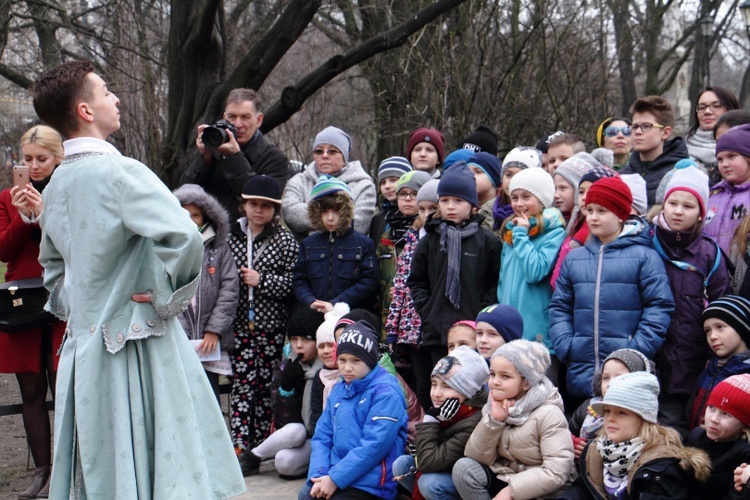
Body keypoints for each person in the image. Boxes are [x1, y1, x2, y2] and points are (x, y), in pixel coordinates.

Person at [33, 60, 244, 497]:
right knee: (165, 466)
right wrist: (166, 298)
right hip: (138, 345)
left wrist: (86, 307)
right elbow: (185, 236)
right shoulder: (121, 172)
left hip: (83, 350)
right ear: (86, 111)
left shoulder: (54, 186)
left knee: (105, 464)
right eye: (106, 91)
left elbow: (52, 269)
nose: (115, 98)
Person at [549, 177, 674, 402]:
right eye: (589, 210)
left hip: (626, 373)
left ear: (620, 215)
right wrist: (566, 344)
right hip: (581, 371)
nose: (593, 217)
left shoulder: (644, 257)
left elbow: (659, 306)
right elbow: (559, 306)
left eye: (602, 211)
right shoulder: (574, 258)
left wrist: (636, 349)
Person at [0, 125, 66, 499]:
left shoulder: (66, 193)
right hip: (21, 302)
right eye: (27, 159)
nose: (33, 166)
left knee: (64, 385)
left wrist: (42, 215)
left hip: (60, 299)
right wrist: (24, 217)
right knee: (31, 390)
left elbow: (69, 243)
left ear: (58, 158)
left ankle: (72, 468)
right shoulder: (7, 198)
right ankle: (42, 473)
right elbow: (4, 251)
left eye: (41, 159)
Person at [407, 163, 501, 396]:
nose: (451, 206)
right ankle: (441, 425)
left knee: (472, 387)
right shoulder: (429, 241)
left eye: (458, 201)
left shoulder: (487, 242)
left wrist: (481, 313)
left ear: (472, 205)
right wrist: (428, 310)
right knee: (441, 385)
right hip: (437, 331)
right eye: (445, 200)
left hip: (472, 331)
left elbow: (494, 281)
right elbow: (416, 281)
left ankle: (467, 429)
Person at [651, 166, 731, 436]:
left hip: (690, 356)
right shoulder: (646, 242)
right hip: (650, 353)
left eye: (688, 205)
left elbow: (722, 304)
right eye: (673, 203)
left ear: (701, 213)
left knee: (675, 425)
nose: (678, 211)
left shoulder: (710, 254)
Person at [228, 174, 299, 452]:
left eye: (266, 206)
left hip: (272, 326)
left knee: (266, 385)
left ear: (275, 210)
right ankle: (239, 443)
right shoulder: (229, 236)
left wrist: (263, 281)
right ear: (243, 205)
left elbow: (294, 283)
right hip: (238, 326)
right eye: (253, 204)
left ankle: (261, 443)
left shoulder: (284, 241)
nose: (259, 210)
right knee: (241, 383)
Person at [452, 340, 575, 499]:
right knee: (464, 468)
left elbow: (556, 472)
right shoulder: (495, 406)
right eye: (492, 374)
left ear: (526, 383)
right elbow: (477, 456)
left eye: (505, 376)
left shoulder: (548, 414)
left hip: (543, 490)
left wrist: (511, 491)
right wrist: (494, 422)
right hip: (508, 475)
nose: (495, 382)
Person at [300, 320, 408, 500]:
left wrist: (334, 479)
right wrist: (319, 475)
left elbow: (375, 445)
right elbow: (322, 436)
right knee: (307, 495)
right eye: (342, 360)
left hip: (372, 483)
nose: (347, 368)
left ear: (371, 360)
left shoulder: (386, 392)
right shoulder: (340, 388)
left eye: (356, 360)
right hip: (337, 473)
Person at [563, 372, 710, 500]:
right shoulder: (598, 449)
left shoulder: (662, 467)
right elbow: (583, 489)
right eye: (607, 411)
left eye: (621, 413)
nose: (610, 418)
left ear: (644, 419)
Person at [392, 346, 489, 500]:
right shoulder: (445, 412)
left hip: (462, 481)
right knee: (402, 464)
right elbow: (423, 454)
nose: (436, 393)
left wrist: (430, 419)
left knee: (429, 483)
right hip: (441, 466)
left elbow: (427, 462)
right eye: (434, 384)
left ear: (468, 391)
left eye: (447, 386)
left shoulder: (473, 420)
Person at [239, 308, 325, 479]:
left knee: (287, 460)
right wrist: (287, 388)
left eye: (306, 339)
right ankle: (251, 459)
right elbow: (283, 421)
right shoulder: (285, 367)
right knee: (288, 448)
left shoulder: (329, 365)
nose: (299, 345)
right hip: (300, 435)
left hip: (322, 438)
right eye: (294, 339)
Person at [173, 183, 240, 404]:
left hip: (208, 342)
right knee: (179, 395)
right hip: (177, 338)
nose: (190, 219)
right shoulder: (165, 248)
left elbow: (229, 290)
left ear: (207, 218)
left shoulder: (218, 250)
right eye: (184, 213)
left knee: (209, 397)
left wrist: (214, 330)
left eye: (196, 215)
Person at [181, 88, 289, 215]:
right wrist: (204, 158)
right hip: (209, 232)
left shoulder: (275, 159)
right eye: (232, 117)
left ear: (258, 120)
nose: (238, 124)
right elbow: (185, 192)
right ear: (224, 118)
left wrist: (234, 156)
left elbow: (259, 201)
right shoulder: (214, 150)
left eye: (245, 117)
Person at [497, 167, 566, 354]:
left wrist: (521, 236)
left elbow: (535, 272)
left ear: (542, 199)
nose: (519, 204)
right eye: (515, 197)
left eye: (526, 197)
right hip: (509, 331)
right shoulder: (511, 231)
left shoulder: (554, 233)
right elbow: (502, 282)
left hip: (537, 333)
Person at [386, 178, 439, 410]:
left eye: (433, 209)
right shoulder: (412, 237)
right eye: (422, 209)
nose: (427, 215)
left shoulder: (445, 237)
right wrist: (392, 328)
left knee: (440, 380)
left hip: (436, 323)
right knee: (420, 383)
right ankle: (422, 432)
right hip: (411, 324)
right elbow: (400, 284)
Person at [293, 175, 379, 313]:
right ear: (316, 213)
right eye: (324, 212)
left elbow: (369, 282)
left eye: (336, 211)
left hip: (351, 314)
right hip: (315, 312)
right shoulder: (308, 244)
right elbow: (299, 280)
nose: (330, 218)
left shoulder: (364, 244)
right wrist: (310, 301)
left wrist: (336, 303)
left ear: (345, 212)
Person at [283, 126, 377, 239]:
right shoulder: (298, 181)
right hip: (306, 254)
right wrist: (339, 215)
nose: (325, 155)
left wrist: (311, 230)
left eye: (332, 151)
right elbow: (290, 214)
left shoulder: (363, 185)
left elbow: (359, 225)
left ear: (344, 157)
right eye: (319, 151)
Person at [569, 349, 655, 462]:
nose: (610, 384)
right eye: (605, 378)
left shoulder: (642, 413)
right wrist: (572, 446)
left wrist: (590, 451)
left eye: (619, 378)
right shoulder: (588, 407)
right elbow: (567, 434)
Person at [375, 170, 430, 339]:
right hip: (388, 315)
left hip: (417, 316)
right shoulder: (387, 232)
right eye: (403, 194)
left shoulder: (425, 234)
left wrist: (404, 290)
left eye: (414, 194)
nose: (407, 199)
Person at [690, 296, 750, 430]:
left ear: (742, 328)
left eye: (720, 327)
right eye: (707, 331)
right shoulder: (709, 370)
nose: (713, 336)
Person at [687, 374, 750, 499]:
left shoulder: (745, 453)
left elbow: (736, 496)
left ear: (744, 424)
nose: (714, 419)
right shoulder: (697, 435)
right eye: (711, 408)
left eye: (725, 414)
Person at [619, 95, 689, 206]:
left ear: (665, 132)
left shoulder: (681, 175)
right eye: (634, 126)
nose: (637, 132)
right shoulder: (621, 176)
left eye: (646, 126)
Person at [704, 124, 750, 256]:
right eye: (720, 159)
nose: (724, 164)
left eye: (732, 156)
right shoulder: (713, 195)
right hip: (714, 272)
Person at [685, 86, 741, 186]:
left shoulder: (744, 147)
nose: (707, 112)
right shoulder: (682, 149)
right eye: (702, 107)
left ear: (730, 109)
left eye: (716, 106)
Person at [467, 152, 503, 233]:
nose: (471, 175)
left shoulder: (504, 213)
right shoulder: (460, 211)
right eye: (467, 171)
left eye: (478, 171)